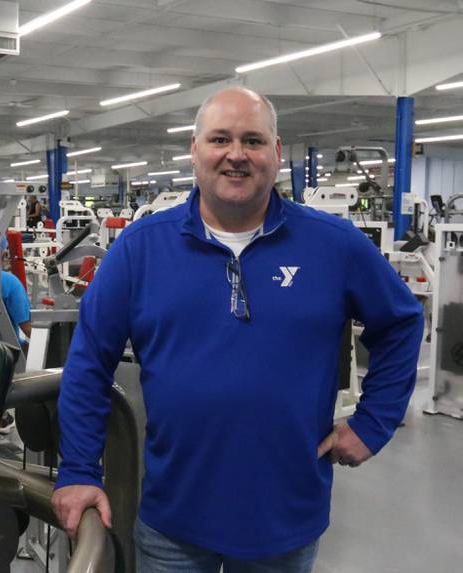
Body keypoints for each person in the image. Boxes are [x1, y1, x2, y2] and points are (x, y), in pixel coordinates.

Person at [51, 87, 423, 572]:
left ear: (276, 151)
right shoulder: (140, 250)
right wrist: (79, 468)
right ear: (194, 150)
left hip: (284, 522)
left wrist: (374, 424)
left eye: (252, 140)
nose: (236, 155)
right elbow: (88, 363)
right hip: (173, 521)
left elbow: (400, 323)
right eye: (220, 139)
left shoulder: (333, 245)